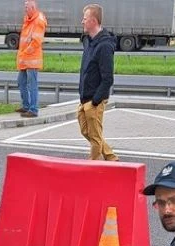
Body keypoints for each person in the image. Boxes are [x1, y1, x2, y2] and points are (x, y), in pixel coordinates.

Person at [78, 4, 118, 162]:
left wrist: (95, 101)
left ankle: (92, 167)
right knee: (86, 131)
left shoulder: (105, 46)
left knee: (95, 138)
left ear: (93, 21)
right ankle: (111, 157)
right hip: (84, 97)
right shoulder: (88, 41)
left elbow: (108, 78)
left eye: (85, 19)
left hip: (94, 100)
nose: (82, 21)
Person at [17, 0, 47, 118]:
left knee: (31, 84)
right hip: (25, 59)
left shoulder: (38, 21)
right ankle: (26, 106)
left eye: (27, 7)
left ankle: (33, 109)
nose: (25, 10)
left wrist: (24, 53)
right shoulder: (28, 19)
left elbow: (36, 41)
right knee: (21, 82)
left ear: (33, 7)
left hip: (31, 59)